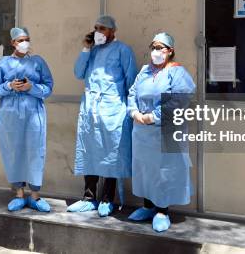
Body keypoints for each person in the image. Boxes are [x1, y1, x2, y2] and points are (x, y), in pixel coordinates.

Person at [67, 15, 137, 217]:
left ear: (113, 31)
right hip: (90, 108)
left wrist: (130, 108)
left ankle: (107, 199)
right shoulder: (92, 51)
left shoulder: (123, 50)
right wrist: (86, 48)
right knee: (89, 150)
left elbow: (131, 79)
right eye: (96, 28)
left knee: (110, 153)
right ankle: (88, 198)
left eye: (103, 28)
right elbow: (79, 73)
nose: (99, 32)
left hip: (113, 107)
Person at [127, 33, 196, 232]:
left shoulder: (177, 72)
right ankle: (147, 206)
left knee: (164, 171)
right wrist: (134, 112)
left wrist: (153, 116)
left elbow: (179, 100)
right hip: (141, 132)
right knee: (145, 169)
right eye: (154, 47)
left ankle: (162, 211)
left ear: (170, 51)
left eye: (160, 47)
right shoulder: (144, 71)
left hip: (165, 130)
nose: (156, 52)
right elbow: (132, 93)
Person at [0, 27, 54, 213]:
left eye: (27, 39)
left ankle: (35, 196)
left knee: (35, 151)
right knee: (13, 151)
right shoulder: (4, 63)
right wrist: (10, 86)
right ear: (13, 43)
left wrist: (31, 87)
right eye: (20, 40)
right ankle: (19, 193)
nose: (24, 43)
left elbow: (48, 87)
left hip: (34, 114)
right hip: (9, 116)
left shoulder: (38, 62)